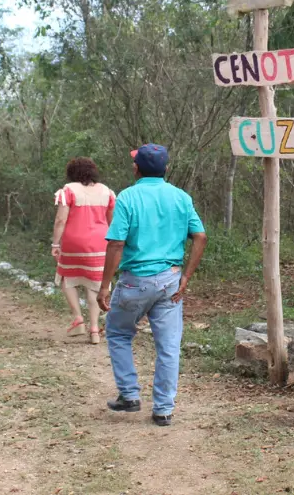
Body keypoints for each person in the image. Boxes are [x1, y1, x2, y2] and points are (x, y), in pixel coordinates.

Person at [97, 144, 207, 427]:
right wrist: (186, 276)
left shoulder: (128, 197)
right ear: (166, 169)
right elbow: (200, 237)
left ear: (136, 168)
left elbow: (117, 243)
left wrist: (104, 286)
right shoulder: (181, 197)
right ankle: (163, 410)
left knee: (119, 333)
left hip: (135, 281)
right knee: (168, 346)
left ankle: (130, 394)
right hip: (171, 281)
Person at [51, 157, 116, 345]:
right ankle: (94, 329)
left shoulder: (68, 190)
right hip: (100, 243)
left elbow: (61, 220)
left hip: (73, 242)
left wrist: (56, 244)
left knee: (67, 277)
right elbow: (111, 221)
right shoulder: (107, 192)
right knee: (94, 284)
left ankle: (78, 317)